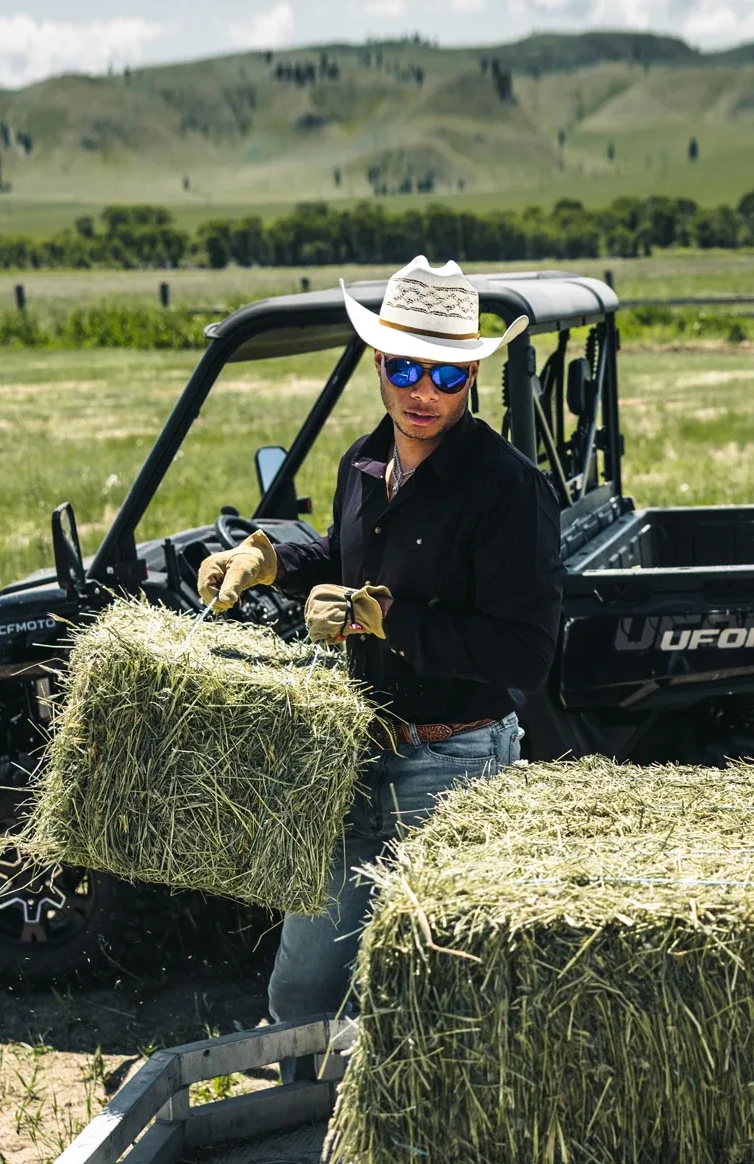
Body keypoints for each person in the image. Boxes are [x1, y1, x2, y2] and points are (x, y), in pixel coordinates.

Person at [196, 256, 565, 1076]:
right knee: (303, 989)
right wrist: (267, 556)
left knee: (422, 991)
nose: (423, 390)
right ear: (379, 366)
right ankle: (303, 1158)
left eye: (447, 372)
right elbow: (345, 551)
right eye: (406, 367)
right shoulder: (363, 462)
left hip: (453, 759)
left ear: (472, 374)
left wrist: (390, 621)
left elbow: (527, 656)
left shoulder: (509, 489)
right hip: (358, 751)